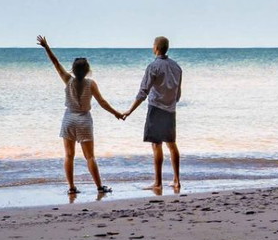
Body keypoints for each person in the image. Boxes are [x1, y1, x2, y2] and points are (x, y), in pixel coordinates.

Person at [37, 35, 125, 196]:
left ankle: (71, 187)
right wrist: (116, 114)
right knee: (90, 157)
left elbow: (56, 63)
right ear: (87, 71)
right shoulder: (90, 84)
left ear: (72, 69)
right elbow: (102, 102)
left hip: (69, 119)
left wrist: (46, 47)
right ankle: (99, 187)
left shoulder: (67, 80)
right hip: (84, 120)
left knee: (69, 156)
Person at [123, 36, 182, 192]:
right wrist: (170, 102)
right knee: (171, 144)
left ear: (156, 48)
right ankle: (176, 180)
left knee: (157, 146)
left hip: (156, 109)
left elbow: (143, 92)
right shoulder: (177, 67)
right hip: (170, 110)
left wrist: (129, 111)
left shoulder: (153, 67)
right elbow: (178, 94)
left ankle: (158, 183)